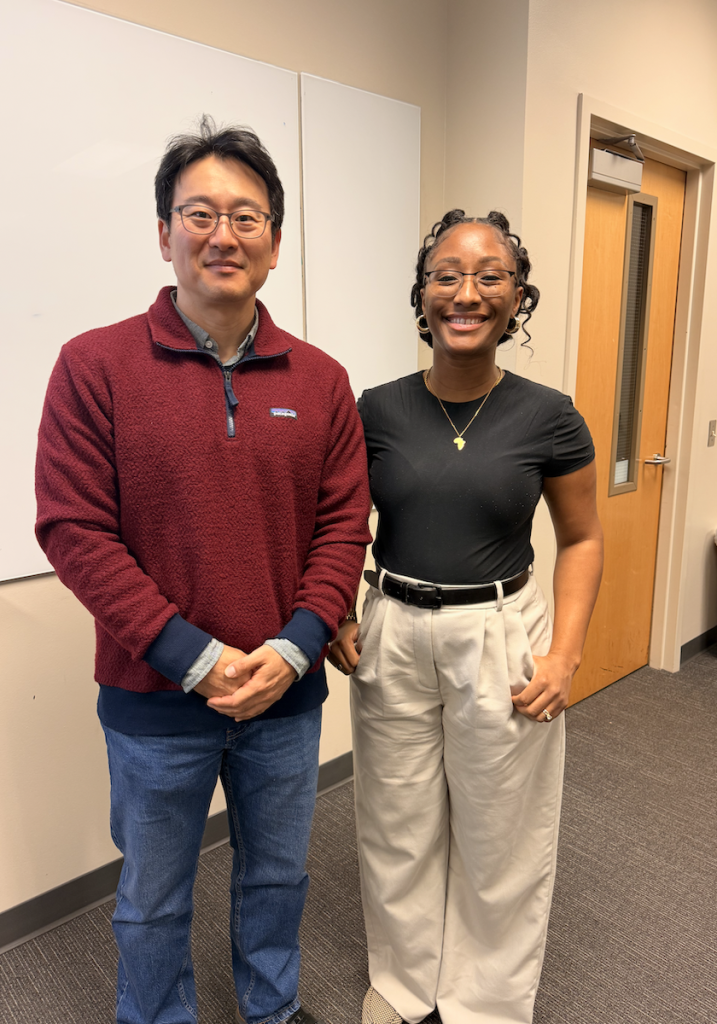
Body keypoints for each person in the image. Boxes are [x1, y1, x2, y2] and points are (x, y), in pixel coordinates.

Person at [35, 116, 371, 1024]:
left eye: (246, 217)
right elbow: (74, 531)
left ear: (273, 244)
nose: (223, 234)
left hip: (286, 695)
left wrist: (297, 648)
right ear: (163, 233)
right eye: (199, 214)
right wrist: (197, 658)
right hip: (153, 699)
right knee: (151, 899)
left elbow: (343, 526)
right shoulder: (92, 366)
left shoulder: (323, 379)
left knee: (277, 878)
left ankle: (272, 1008)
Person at [328, 210, 603, 1024]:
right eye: (446, 274)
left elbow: (582, 538)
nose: (466, 292)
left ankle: (484, 1000)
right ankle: (406, 985)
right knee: (397, 822)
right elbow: (338, 521)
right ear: (421, 294)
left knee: (500, 833)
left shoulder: (549, 415)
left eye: (490, 276)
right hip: (394, 629)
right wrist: (342, 607)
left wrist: (566, 655)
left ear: (517, 297)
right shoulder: (372, 408)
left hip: (501, 633)